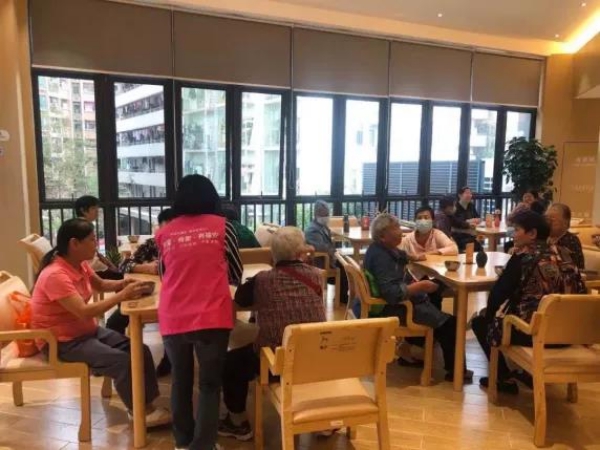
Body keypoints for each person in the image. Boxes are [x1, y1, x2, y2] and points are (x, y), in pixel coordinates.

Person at [30, 218, 170, 427]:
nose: (96, 244)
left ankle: (145, 405)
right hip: (61, 342)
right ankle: (140, 412)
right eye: (92, 239)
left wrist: (124, 283)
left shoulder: (79, 264)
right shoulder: (55, 275)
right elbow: (83, 312)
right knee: (122, 361)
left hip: (85, 332)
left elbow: (102, 284)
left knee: (140, 350)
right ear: (74, 243)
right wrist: (123, 295)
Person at [156, 174, 242, 450]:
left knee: (180, 381)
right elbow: (236, 273)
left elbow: (163, 274)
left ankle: (182, 442)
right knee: (209, 384)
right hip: (211, 316)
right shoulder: (224, 227)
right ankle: (204, 445)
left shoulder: (165, 232)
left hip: (173, 316)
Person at [220, 226, 326, 441]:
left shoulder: (263, 280)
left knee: (230, 363)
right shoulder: (317, 276)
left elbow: (240, 299)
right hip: (314, 358)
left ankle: (238, 422)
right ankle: (322, 420)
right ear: (301, 252)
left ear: (273, 253)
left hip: (277, 363)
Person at [471, 210, 585, 394]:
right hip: (568, 334)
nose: (512, 234)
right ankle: (526, 374)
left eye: (516, 230)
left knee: (481, 322)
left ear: (532, 233)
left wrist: (490, 316)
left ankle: (503, 379)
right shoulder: (565, 253)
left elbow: (498, 295)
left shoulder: (524, 257)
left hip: (534, 333)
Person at [363, 213, 472, 383]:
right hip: (395, 309)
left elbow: (400, 255)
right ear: (383, 236)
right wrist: (421, 286)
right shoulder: (381, 258)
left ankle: (408, 349)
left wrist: (413, 257)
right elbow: (392, 293)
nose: (401, 231)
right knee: (452, 324)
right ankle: (456, 373)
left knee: (435, 295)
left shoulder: (380, 249)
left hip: (398, 304)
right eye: (396, 228)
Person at [106, 208, 175, 377]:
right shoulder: (152, 244)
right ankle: (120, 361)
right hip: (149, 295)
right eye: (165, 229)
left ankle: (169, 361)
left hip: (173, 298)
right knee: (114, 322)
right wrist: (146, 268)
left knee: (171, 322)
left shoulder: (184, 246)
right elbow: (124, 265)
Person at [304, 200, 349, 304]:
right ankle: (342, 297)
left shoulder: (322, 226)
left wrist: (334, 252)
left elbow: (327, 244)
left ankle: (343, 295)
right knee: (344, 265)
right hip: (321, 262)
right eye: (323, 214)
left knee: (346, 261)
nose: (326, 217)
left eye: (327, 214)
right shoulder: (312, 230)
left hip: (328, 258)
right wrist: (335, 253)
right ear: (316, 214)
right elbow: (321, 247)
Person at [74, 195, 121, 278]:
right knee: (121, 276)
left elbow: (96, 253)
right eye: (93, 208)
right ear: (83, 210)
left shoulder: (86, 224)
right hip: (90, 268)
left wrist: (110, 265)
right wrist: (110, 267)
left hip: (94, 265)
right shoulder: (80, 227)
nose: (97, 211)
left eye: (97, 208)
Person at [546, 203, 585, 270]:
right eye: (546, 219)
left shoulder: (571, 240)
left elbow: (573, 269)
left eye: (552, 220)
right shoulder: (543, 238)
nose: (548, 223)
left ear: (565, 222)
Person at [452, 187, 482, 252]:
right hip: (459, 235)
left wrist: (471, 221)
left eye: (470, 193)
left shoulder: (471, 205)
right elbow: (456, 223)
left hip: (471, 234)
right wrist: (470, 221)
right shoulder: (455, 207)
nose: (469, 195)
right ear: (460, 195)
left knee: (479, 246)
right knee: (475, 245)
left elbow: (478, 218)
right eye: (467, 193)